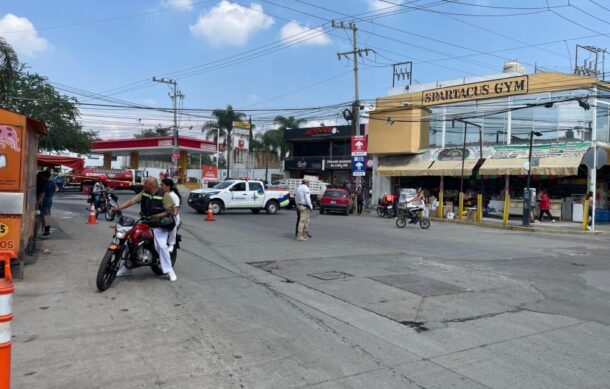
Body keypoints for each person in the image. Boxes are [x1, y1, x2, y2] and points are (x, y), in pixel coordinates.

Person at [114, 177, 178, 281]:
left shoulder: (164, 195)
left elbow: (170, 210)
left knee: (161, 246)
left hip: (158, 225)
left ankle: (169, 270)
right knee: (128, 239)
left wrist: (157, 216)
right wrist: (118, 208)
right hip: (144, 221)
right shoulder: (144, 192)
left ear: (151, 185)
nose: (143, 185)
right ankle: (126, 268)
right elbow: (132, 201)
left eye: (145, 184)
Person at [161, 178, 181, 253]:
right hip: (162, 215)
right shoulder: (162, 194)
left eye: (162, 185)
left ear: (168, 186)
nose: (161, 187)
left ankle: (171, 244)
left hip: (172, 216)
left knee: (172, 225)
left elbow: (175, 211)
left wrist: (170, 217)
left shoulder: (174, 196)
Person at [39, 170, 57, 236]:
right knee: (48, 214)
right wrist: (51, 195)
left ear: (45, 176)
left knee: (44, 215)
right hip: (50, 200)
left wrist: (37, 203)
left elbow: (42, 194)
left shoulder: (45, 183)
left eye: (42, 176)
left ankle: (46, 230)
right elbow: (56, 190)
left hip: (44, 201)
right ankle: (47, 229)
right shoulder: (52, 182)